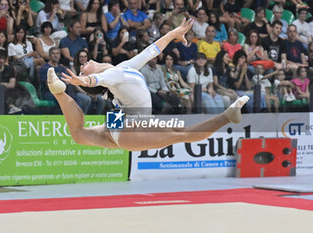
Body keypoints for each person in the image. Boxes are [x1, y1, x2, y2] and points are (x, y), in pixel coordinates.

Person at [46, 18, 249, 150]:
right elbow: (101, 80)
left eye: (83, 64)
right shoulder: (113, 74)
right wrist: (84, 80)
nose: (85, 63)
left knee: (79, 134)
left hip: (121, 122)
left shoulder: (124, 66)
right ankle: (226, 117)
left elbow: (152, 50)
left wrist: (174, 33)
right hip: (130, 126)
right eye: (83, 67)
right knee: (183, 134)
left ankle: (59, 93)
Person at [39, 47, 92, 113]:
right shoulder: (45, 68)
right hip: (49, 93)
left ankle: (78, 119)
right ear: (49, 56)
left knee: (78, 99)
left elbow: (67, 82)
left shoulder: (62, 68)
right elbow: (48, 85)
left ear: (60, 56)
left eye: (57, 53)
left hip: (63, 92)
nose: (56, 55)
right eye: (53, 53)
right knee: (66, 101)